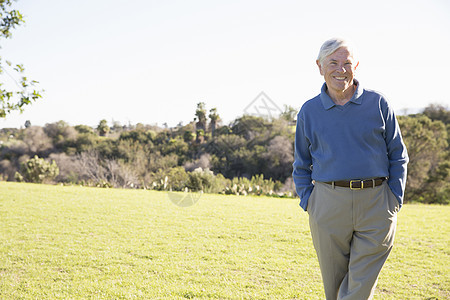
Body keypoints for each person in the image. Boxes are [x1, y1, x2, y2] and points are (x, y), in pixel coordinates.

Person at [292, 38, 408, 300]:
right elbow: (301, 163)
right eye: (333, 62)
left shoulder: (379, 103)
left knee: (360, 282)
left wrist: (394, 198)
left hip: (377, 203)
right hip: (327, 203)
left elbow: (398, 155)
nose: (340, 69)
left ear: (356, 66)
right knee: (333, 286)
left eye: (346, 63)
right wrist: (309, 201)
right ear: (320, 66)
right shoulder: (309, 111)